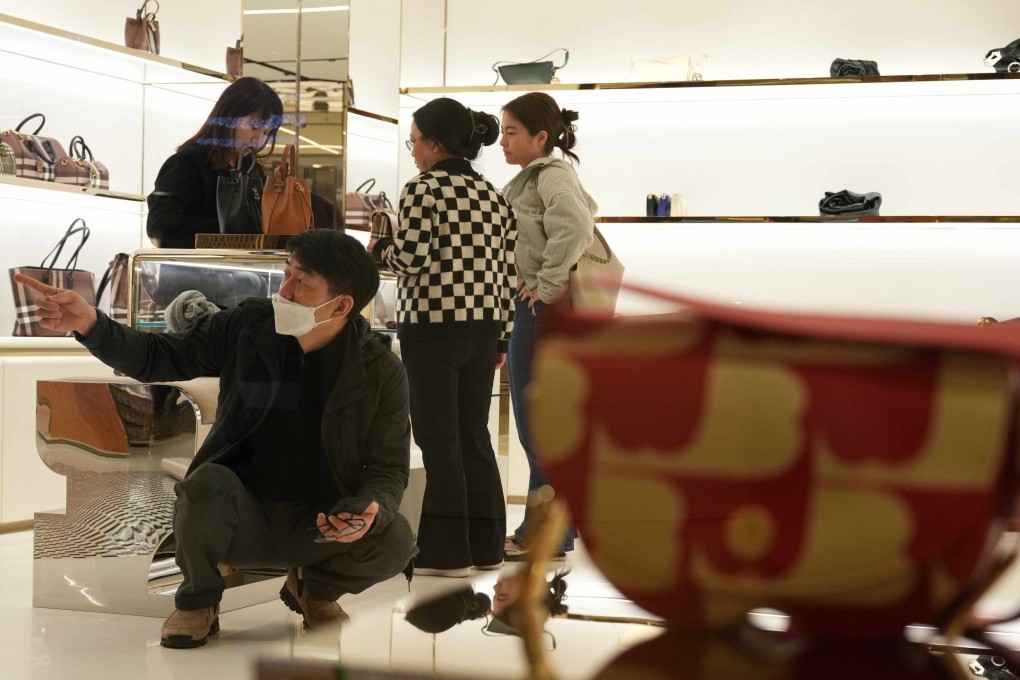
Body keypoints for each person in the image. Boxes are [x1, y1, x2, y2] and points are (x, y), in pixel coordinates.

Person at [13, 229, 417, 649]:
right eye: (287, 274)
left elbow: (388, 468)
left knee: (395, 539)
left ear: (342, 305)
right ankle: (199, 601)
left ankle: (316, 590)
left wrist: (369, 510)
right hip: (238, 513)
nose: (285, 291)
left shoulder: (381, 370)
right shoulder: (247, 326)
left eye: (302, 282)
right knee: (206, 483)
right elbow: (157, 356)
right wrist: (91, 324)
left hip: (318, 524)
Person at [367, 97, 516, 578]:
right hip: (484, 327)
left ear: (434, 143)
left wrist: (379, 248)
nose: (412, 150)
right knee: (473, 436)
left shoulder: (423, 189)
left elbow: (410, 258)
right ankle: (487, 547)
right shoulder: (494, 195)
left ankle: (447, 553)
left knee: (438, 439)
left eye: (413, 141)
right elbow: (508, 272)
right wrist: (503, 338)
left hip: (432, 327)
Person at [499, 92, 597, 560]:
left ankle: (543, 534)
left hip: (543, 311)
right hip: (540, 308)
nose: (502, 141)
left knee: (536, 425)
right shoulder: (535, 177)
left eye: (511, 132)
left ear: (541, 137)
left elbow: (576, 225)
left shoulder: (551, 175)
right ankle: (554, 531)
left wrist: (547, 284)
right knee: (544, 424)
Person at [146, 76, 284, 248]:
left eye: (266, 133)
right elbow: (161, 229)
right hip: (198, 265)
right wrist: (232, 229)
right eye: (254, 127)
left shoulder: (253, 171)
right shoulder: (187, 164)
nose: (258, 140)